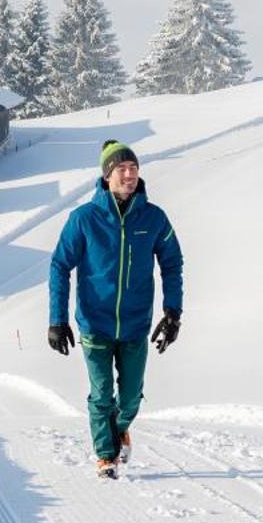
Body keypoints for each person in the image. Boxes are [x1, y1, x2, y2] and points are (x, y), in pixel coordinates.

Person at [49, 140, 184, 479]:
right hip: (95, 323)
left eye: (134, 168)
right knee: (101, 394)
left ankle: (120, 427)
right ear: (107, 176)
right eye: (122, 169)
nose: (129, 174)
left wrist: (173, 312)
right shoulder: (84, 219)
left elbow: (172, 263)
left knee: (130, 397)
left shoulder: (154, 218)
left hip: (136, 323)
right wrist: (57, 319)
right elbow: (59, 266)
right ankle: (106, 455)